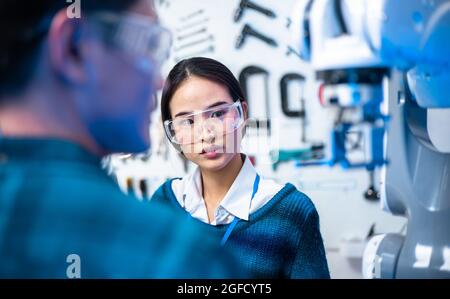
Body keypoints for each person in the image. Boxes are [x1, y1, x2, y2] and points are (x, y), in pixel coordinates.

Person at [0, 0, 239, 278]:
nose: (160, 82)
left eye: (218, 113)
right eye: (150, 44)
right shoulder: (176, 255)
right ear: (72, 47)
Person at [151, 57, 330, 278]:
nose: (207, 134)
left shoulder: (291, 212)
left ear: (242, 113)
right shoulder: (165, 203)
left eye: (218, 113)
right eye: (188, 121)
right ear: (173, 131)